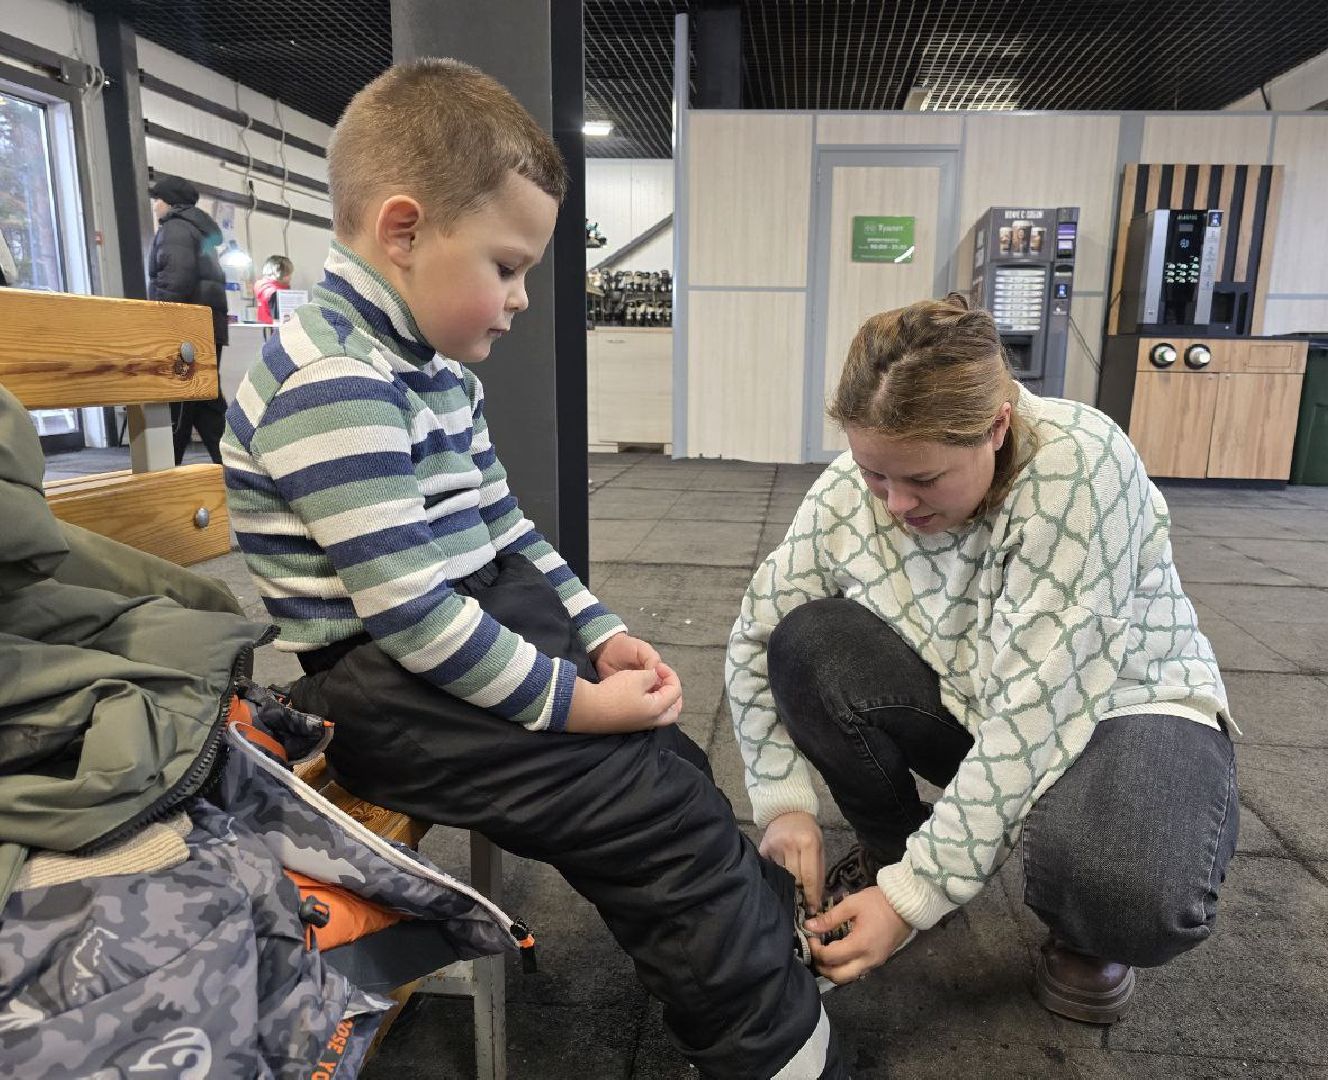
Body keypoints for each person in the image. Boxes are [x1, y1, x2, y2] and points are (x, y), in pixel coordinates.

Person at [220, 60, 841, 1079]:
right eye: (507, 266)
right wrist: (583, 707)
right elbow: (413, 619)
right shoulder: (334, 380)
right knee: (647, 805)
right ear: (404, 230)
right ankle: (772, 1047)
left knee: (672, 767)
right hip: (391, 692)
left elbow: (508, 529)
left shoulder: (431, 371)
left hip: (471, 638)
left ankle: (764, 952)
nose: (518, 300)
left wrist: (598, 634)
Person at [728, 294, 1239, 1025]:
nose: (895, 502)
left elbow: (1037, 713)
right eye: (876, 472)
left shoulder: (1079, 467)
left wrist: (913, 903)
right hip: (976, 694)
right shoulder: (856, 487)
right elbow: (755, 633)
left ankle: (1085, 931)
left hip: (1126, 705)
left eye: (924, 480)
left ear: (997, 426)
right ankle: (892, 851)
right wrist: (782, 804)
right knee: (807, 642)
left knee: (1124, 893)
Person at [147, 174, 229, 464]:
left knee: (179, 402)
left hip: (185, 331)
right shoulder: (198, 229)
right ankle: (237, 470)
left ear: (169, 202)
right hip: (206, 327)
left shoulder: (176, 230)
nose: (155, 206)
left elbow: (174, 281)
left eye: (157, 200)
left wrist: (159, 325)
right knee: (206, 402)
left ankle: (167, 470)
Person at [253, 254, 294, 324]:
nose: (290, 278)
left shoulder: (261, 287)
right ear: (279, 273)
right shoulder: (274, 293)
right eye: (288, 274)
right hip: (276, 331)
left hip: (264, 329)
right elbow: (280, 320)